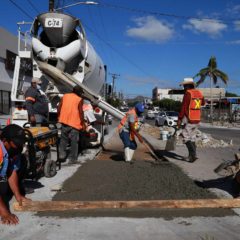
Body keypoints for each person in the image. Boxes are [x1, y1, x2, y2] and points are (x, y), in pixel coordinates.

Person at [0, 124, 30, 225]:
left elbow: (12, 171)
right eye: (16, 144)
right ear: (4, 141)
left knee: (23, 160)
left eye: (21, 143)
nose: (19, 147)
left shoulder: (13, 151)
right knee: (3, 190)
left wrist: (18, 195)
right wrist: (4, 212)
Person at [177, 77, 205, 163]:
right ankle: (191, 156)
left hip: (190, 119)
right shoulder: (199, 93)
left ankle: (193, 155)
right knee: (192, 137)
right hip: (197, 118)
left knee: (185, 135)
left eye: (184, 86)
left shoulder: (188, 93)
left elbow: (183, 107)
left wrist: (179, 119)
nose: (184, 88)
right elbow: (203, 103)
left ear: (188, 86)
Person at [58, 85, 86, 164]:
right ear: (79, 92)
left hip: (64, 122)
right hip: (74, 123)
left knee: (63, 140)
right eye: (81, 92)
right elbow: (81, 112)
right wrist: (83, 123)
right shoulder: (79, 99)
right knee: (74, 141)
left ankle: (61, 156)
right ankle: (73, 159)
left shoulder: (65, 96)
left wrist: (59, 116)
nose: (81, 94)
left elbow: (59, 107)